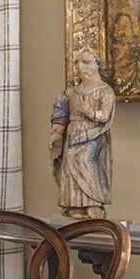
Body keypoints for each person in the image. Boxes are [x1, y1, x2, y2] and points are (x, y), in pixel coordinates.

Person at [49, 50, 115, 218]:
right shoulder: (71, 92)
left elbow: (104, 116)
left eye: (86, 62)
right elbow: (61, 114)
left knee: (85, 163)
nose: (79, 66)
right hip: (73, 133)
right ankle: (74, 205)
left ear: (98, 65)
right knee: (69, 166)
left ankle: (93, 203)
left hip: (94, 134)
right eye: (77, 63)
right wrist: (57, 132)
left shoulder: (105, 91)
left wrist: (87, 110)